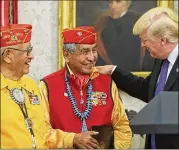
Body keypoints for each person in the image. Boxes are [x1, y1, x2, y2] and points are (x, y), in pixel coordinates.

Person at [96, 7, 179, 149]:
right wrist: (113, 71)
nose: (142, 45)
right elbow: (147, 90)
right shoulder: (160, 60)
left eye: (145, 40)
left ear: (163, 40)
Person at [39, 26, 132, 149]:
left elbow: (122, 127)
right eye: (85, 52)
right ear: (66, 55)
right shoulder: (47, 85)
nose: (92, 57)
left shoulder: (107, 83)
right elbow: (41, 132)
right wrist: (72, 139)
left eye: (94, 50)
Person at [1, 24, 47, 148]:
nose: (31, 56)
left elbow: (44, 132)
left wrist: (72, 138)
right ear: (7, 56)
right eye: (27, 51)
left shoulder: (31, 85)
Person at [95, 0, 154, 71]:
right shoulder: (102, 23)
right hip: (109, 71)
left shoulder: (138, 21)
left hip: (134, 70)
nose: (113, 6)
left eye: (118, 1)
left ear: (128, 4)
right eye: (110, 2)